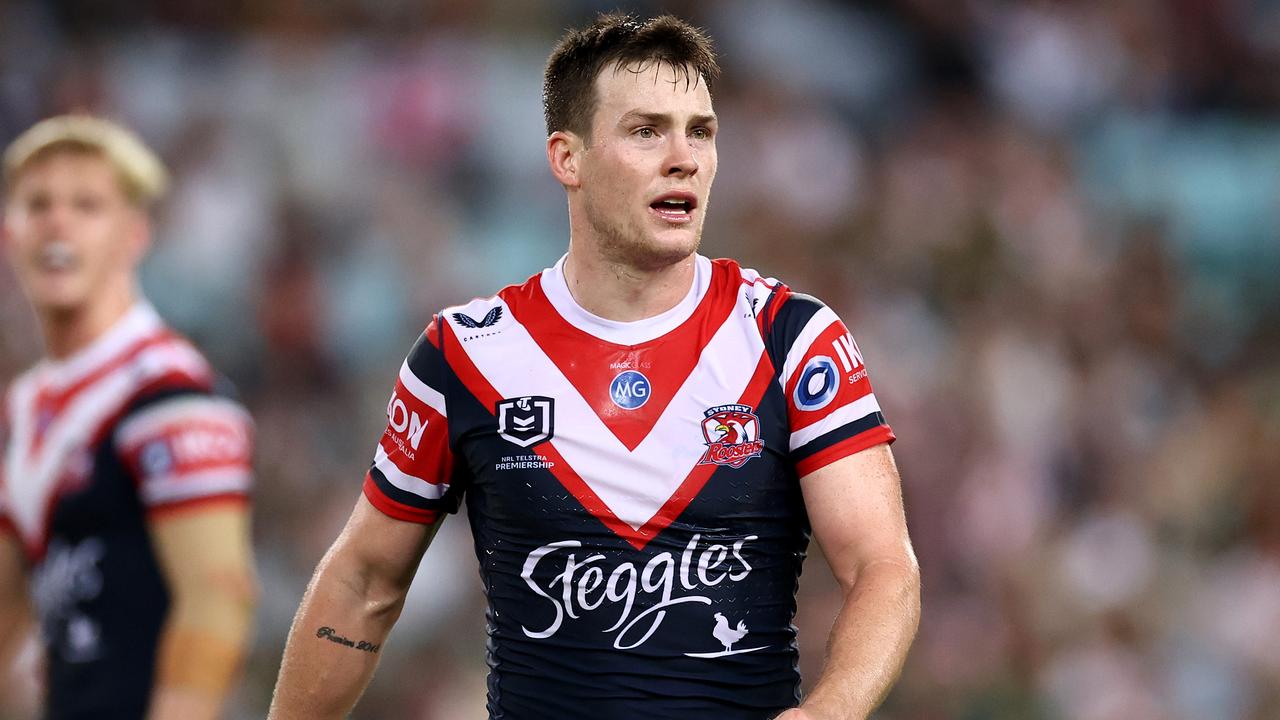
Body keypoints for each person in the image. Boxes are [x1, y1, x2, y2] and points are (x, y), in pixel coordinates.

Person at [269, 13, 919, 720]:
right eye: (646, 132)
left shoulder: (790, 338)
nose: (684, 158)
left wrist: (832, 711)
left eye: (700, 131)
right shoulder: (465, 355)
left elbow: (882, 568)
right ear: (566, 158)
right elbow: (364, 583)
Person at [0, 115, 258, 720]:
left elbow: (219, 599)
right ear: (9, 231)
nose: (57, 222)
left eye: (87, 205)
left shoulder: (172, 396)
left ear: (134, 234)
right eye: (37, 204)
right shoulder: (25, 406)